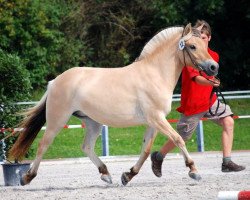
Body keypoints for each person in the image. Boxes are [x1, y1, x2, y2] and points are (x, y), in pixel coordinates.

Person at [151, 20, 245, 177]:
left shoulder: (213, 56)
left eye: (203, 37)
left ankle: (227, 162)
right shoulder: (190, 55)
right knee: (183, 137)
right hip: (193, 103)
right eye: (198, 36)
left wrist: (214, 83)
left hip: (210, 100)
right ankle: (158, 157)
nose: (201, 39)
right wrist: (210, 81)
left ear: (209, 38)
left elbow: (209, 75)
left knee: (228, 121)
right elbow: (195, 78)